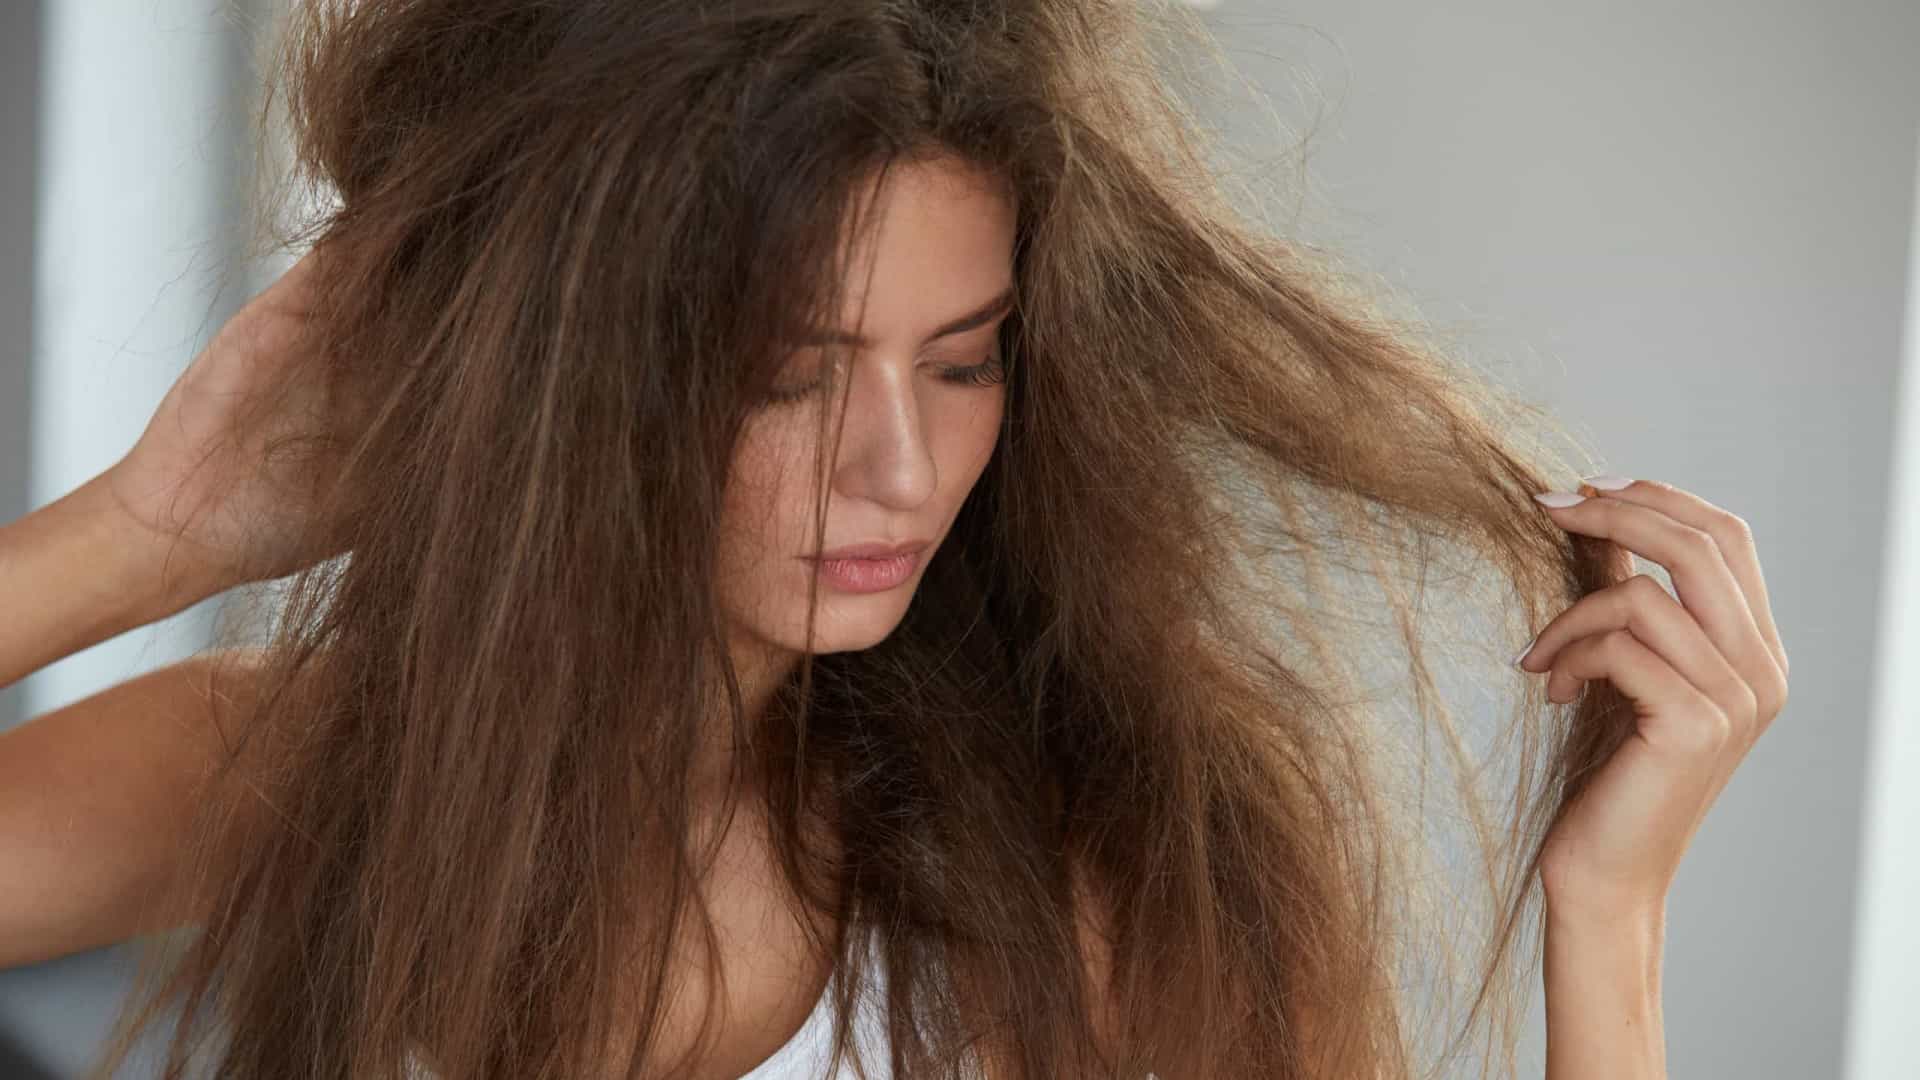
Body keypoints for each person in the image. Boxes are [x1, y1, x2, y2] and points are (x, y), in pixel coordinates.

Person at [0, 0, 1790, 1077]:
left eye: (963, 361)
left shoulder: (1084, 887)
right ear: (566, 384)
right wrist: (149, 532)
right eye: (787, 375)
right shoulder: (306, 772)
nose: (900, 470)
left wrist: (1608, 920)